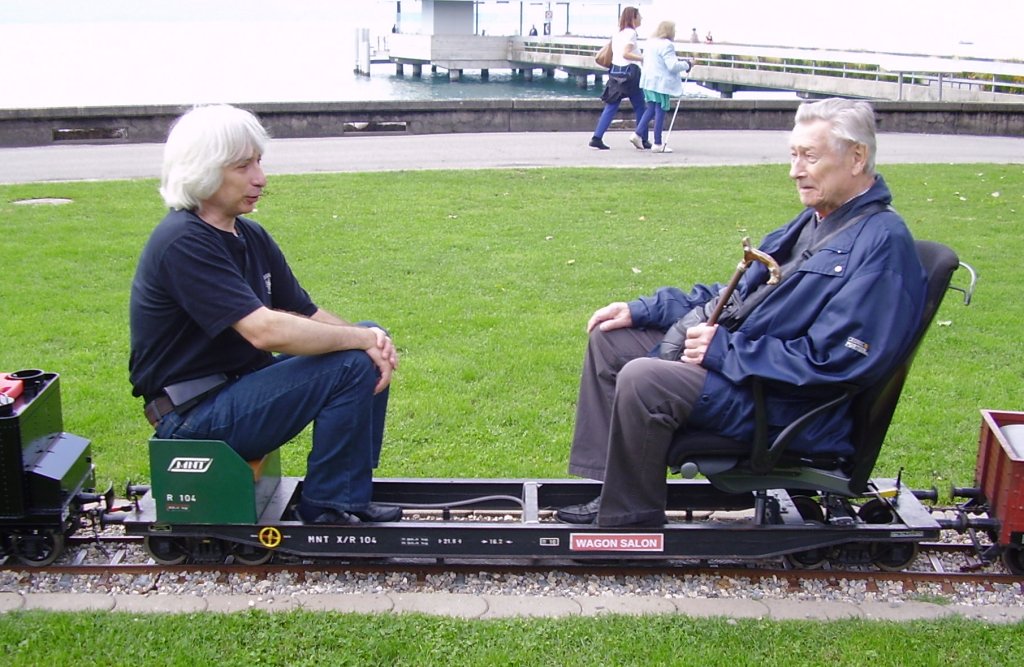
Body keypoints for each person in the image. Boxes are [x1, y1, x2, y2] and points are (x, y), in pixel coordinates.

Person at [557, 98, 928, 528]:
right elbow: (734, 295)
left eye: (809, 156)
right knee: (611, 340)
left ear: (857, 157)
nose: (795, 170)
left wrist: (724, 351)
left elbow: (836, 362)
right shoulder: (816, 222)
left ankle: (630, 521)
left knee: (645, 379)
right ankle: (613, 487)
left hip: (786, 405)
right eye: (793, 155)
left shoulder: (882, 245)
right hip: (752, 375)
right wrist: (642, 310)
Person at [129, 104, 401, 526]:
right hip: (192, 417)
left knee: (364, 338)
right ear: (202, 170)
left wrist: (374, 340)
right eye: (243, 166)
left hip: (237, 390)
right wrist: (362, 343)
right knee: (352, 360)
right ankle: (330, 507)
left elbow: (306, 312)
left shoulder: (249, 235)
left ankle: (348, 492)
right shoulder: (183, 242)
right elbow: (264, 331)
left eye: (259, 162)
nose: (260, 178)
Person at [588, 6, 648, 150]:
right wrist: (642, 58)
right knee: (640, 106)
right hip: (630, 73)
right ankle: (642, 138)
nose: (641, 18)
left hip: (615, 72)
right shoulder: (631, 33)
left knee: (611, 105)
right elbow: (626, 53)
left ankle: (597, 137)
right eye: (639, 15)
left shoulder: (617, 33)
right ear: (633, 17)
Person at [631, 21, 692, 153]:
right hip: (660, 83)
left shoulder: (650, 42)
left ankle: (637, 134)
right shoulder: (667, 45)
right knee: (660, 110)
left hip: (648, 81)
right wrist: (687, 64)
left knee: (651, 108)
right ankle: (657, 143)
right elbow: (672, 66)